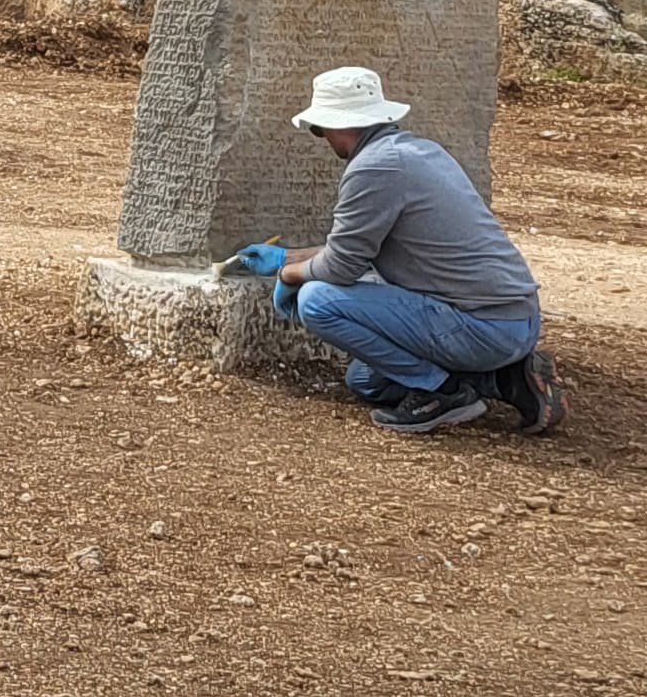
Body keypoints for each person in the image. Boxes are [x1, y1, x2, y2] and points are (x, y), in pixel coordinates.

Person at [232, 65, 563, 438]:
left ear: (338, 124)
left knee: (317, 301)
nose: (321, 137)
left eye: (318, 129)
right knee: (367, 382)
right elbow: (354, 247)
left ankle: (444, 393)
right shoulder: (418, 151)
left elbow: (341, 267)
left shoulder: (372, 169)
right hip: (513, 319)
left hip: (481, 325)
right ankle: (504, 377)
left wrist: (288, 274)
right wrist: (288, 255)